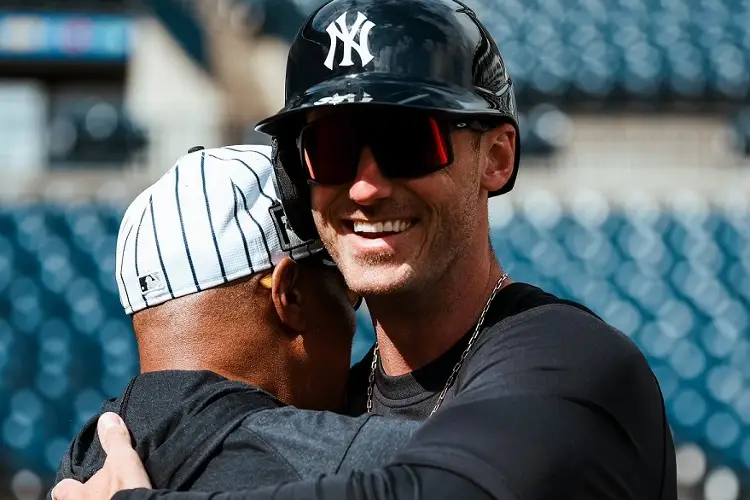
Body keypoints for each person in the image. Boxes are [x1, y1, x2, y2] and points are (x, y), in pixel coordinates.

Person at [52, 0, 678, 498]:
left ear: (497, 157)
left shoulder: (573, 362)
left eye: (409, 142)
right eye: (330, 149)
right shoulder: (325, 409)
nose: (365, 186)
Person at [51, 144, 419, 496]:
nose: (353, 314)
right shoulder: (354, 459)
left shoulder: (83, 467)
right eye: (347, 286)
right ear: (290, 296)